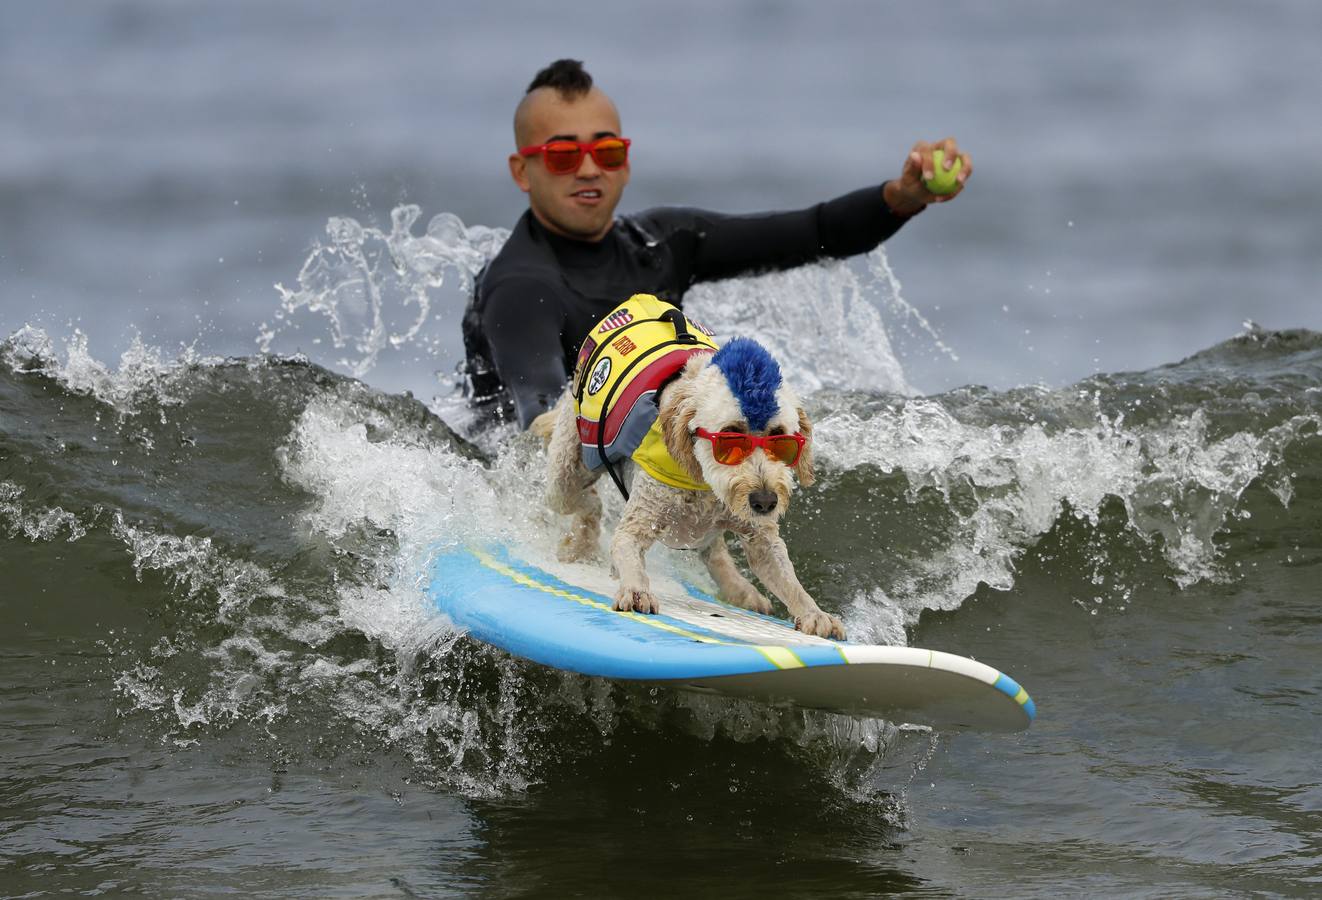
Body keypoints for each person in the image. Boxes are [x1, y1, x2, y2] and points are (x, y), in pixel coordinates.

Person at [460, 59, 971, 429]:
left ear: (627, 162)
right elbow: (543, 415)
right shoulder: (520, 287)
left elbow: (814, 232)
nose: (590, 168)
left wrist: (903, 197)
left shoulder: (661, 242)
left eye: (608, 150)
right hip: (531, 489)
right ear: (521, 172)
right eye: (563, 156)